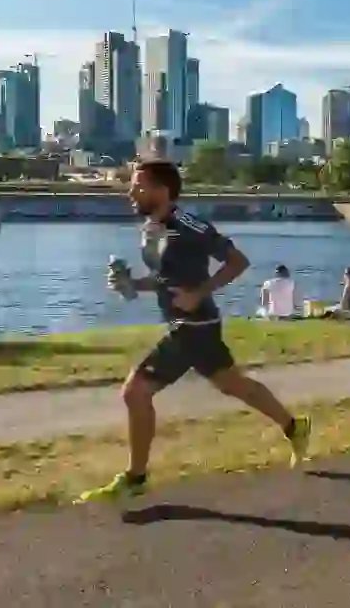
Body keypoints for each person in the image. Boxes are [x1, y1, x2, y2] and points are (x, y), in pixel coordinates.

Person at [81, 160, 312, 503]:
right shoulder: (152, 228)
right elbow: (168, 279)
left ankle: (136, 477)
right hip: (194, 325)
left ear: (162, 190)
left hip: (193, 327)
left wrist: (199, 293)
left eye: (138, 185)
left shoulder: (189, 225)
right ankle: (296, 427)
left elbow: (237, 262)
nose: (130, 191)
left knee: (135, 392)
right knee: (233, 385)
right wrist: (132, 284)